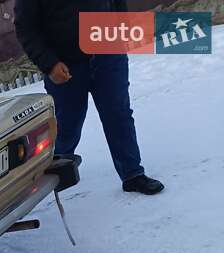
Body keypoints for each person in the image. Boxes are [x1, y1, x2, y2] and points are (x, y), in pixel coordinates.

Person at [14, 0, 165, 195]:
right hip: (65, 64)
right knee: (67, 123)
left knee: (118, 114)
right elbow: (25, 27)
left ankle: (132, 174)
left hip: (107, 53)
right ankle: (56, 174)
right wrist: (49, 64)